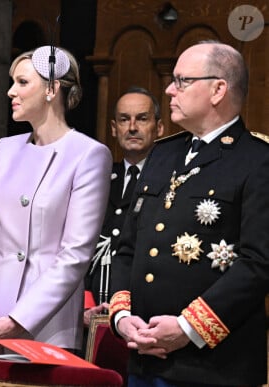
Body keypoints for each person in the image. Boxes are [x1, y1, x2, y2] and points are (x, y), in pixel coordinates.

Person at [109, 40, 269, 387]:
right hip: (144, 357)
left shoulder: (257, 160)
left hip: (213, 367)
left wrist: (188, 327)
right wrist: (123, 317)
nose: (169, 89)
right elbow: (127, 247)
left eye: (182, 81)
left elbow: (257, 263)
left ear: (217, 89)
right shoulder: (163, 155)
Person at [0, 45, 112, 387]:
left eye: (22, 82)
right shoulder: (4, 150)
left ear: (52, 89)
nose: (11, 91)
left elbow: (75, 255)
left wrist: (18, 319)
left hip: (44, 322)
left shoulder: (88, 155)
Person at [84, 87, 164, 325]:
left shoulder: (169, 181)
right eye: (123, 120)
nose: (132, 127)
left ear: (159, 127)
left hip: (144, 314)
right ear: (113, 128)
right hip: (92, 312)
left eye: (142, 118)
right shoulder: (97, 178)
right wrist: (85, 306)